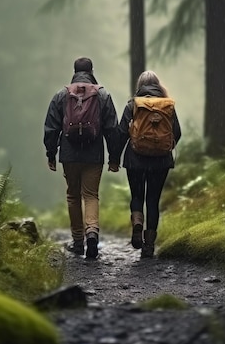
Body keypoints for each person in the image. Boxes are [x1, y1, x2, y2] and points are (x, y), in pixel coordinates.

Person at [44, 57, 120, 259]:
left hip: (69, 155)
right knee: (91, 195)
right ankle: (92, 233)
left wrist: (51, 154)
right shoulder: (102, 95)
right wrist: (114, 157)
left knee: (73, 195)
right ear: (92, 71)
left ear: (74, 71)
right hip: (93, 154)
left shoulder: (62, 95)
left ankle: (78, 242)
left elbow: (51, 128)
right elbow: (112, 128)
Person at [113, 70, 181, 258]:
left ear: (140, 86)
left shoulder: (132, 105)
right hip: (160, 161)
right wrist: (164, 147)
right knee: (153, 200)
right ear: (158, 86)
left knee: (137, 196)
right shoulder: (168, 106)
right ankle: (149, 244)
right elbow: (177, 132)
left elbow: (121, 133)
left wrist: (114, 158)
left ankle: (137, 223)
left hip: (135, 158)